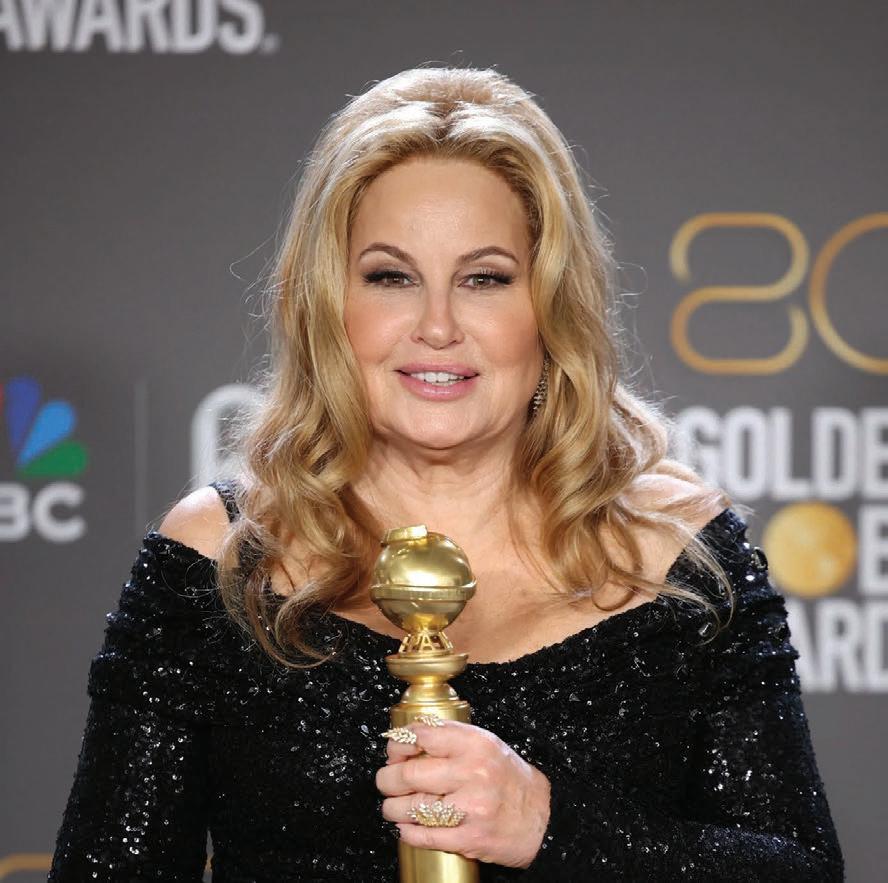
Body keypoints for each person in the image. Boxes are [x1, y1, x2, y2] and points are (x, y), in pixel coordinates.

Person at [48, 66, 843, 882]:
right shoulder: (222, 558)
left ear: (550, 304)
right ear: (329, 304)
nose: (436, 326)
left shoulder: (676, 553)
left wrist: (552, 826)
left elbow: (802, 869)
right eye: (391, 276)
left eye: (484, 278)